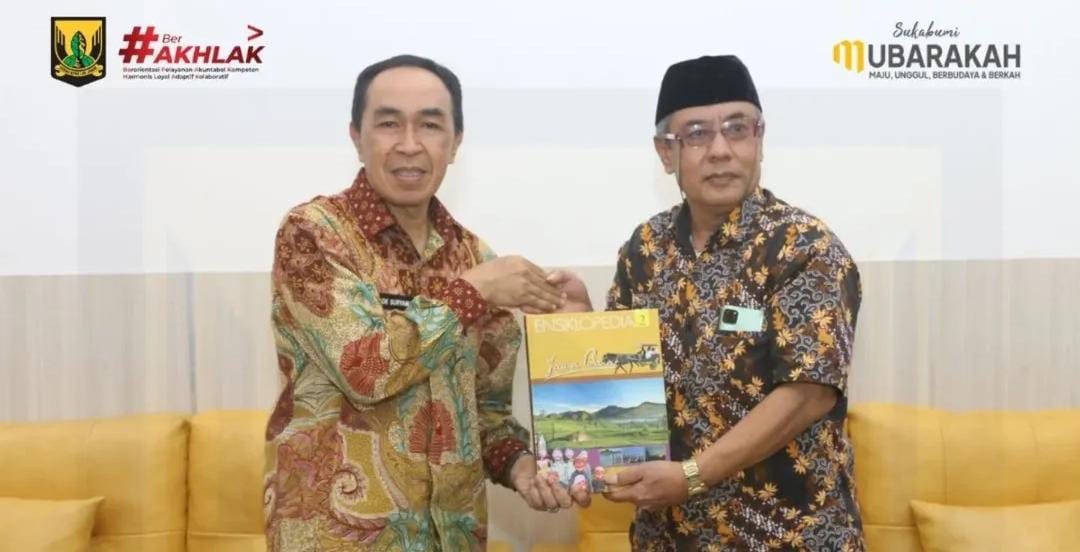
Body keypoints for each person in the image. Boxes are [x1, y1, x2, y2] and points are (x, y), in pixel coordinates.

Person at [263, 54, 587, 551]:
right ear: (356, 136)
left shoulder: (475, 257)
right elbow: (365, 370)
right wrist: (473, 291)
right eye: (389, 123)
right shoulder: (314, 233)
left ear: (455, 143)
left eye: (430, 125)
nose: (410, 144)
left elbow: (486, 413)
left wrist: (522, 466)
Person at [552, 55, 865, 550]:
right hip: (668, 536)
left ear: (759, 138)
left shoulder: (804, 247)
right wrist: (580, 320)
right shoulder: (645, 249)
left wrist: (692, 475)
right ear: (665, 152)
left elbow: (809, 393)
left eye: (737, 129)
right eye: (696, 134)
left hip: (788, 536)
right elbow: (628, 375)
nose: (720, 150)